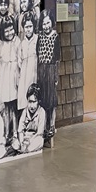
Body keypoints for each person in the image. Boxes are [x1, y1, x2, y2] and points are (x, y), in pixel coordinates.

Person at [0, 16, 20, 144]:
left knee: (13, 107)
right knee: (5, 108)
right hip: (4, 76)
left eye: (11, 29)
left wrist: (19, 79)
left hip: (13, 76)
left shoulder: (17, 41)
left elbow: (20, 61)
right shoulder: (0, 43)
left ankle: (15, 132)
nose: (9, 33)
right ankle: (6, 133)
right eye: (7, 30)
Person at [36, 9, 60, 143]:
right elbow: (37, 54)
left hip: (50, 70)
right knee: (43, 100)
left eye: (48, 23)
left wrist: (55, 76)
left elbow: (57, 59)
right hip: (41, 71)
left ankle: (51, 125)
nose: (46, 26)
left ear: (52, 22)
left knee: (51, 101)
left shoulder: (55, 37)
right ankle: (44, 127)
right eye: (44, 24)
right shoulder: (40, 37)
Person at [12, 84, 45, 154]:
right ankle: (22, 149)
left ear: (38, 101)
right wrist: (22, 142)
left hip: (34, 138)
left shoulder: (41, 112)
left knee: (39, 141)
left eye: (34, 102)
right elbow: (20, 130)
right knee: (15, 144)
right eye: (30, 102)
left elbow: (39, 132)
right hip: (24, 137)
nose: (31, 106)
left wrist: (29, 141)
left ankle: (26, 150)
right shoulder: (25, 111)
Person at [17, 11, 38, 113]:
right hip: (24, 77)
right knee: (25, 99)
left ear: (34, 26)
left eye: (30, 26)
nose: (28, 29)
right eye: (26, 27)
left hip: (34, 74)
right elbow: (19, 62)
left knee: (35, 98)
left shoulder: (37, 40)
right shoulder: (22, 44)